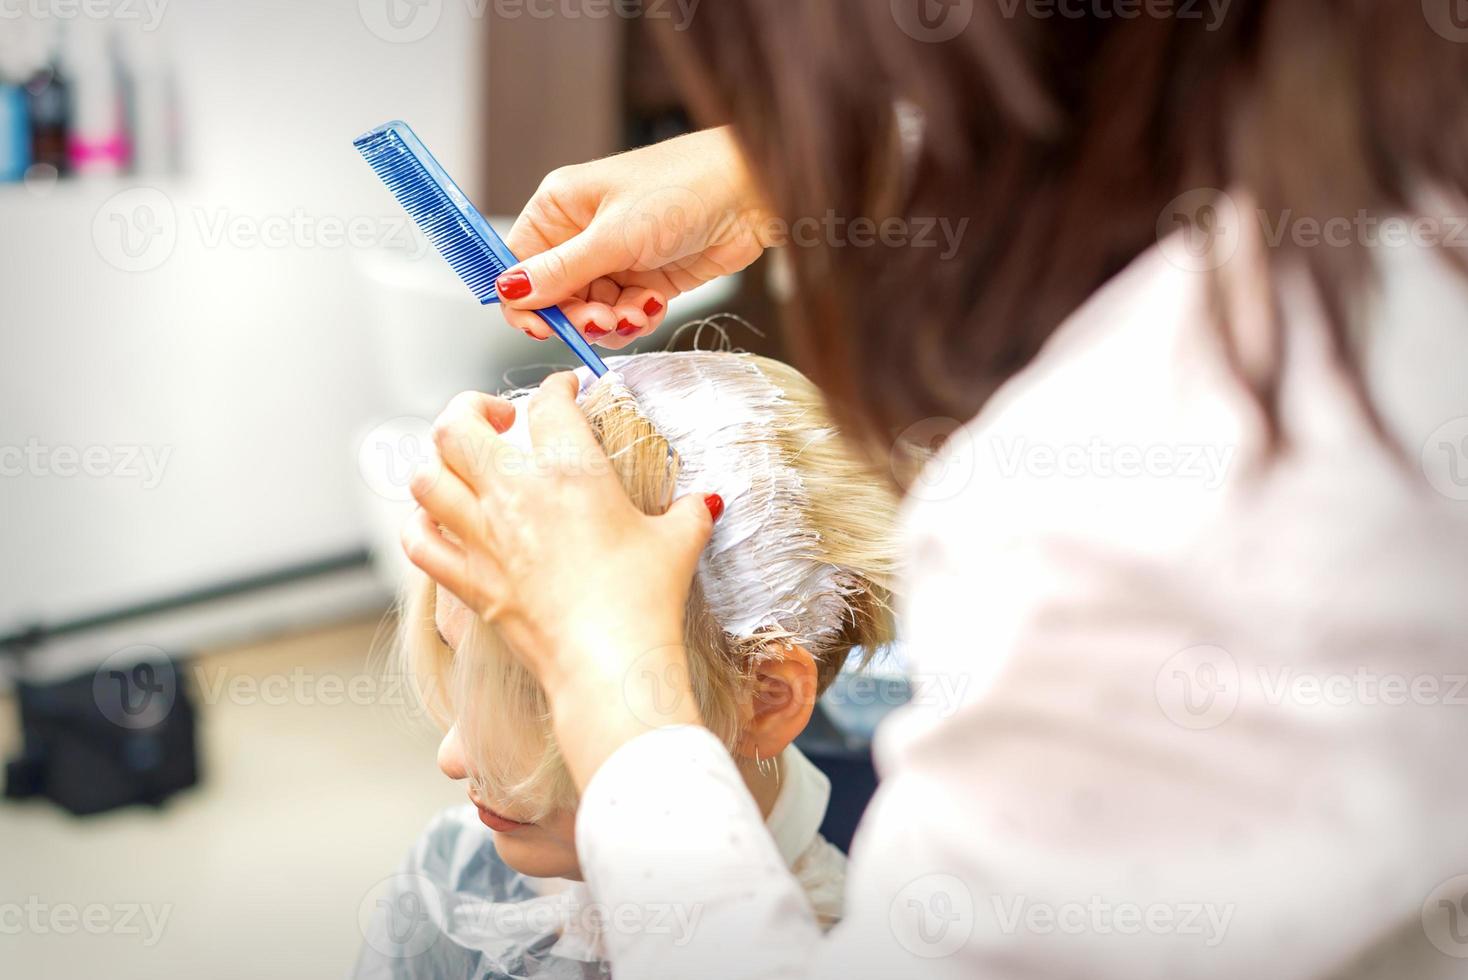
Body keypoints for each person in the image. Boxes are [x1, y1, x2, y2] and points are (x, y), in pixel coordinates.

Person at [402, 4, 1468, 977]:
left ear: (773, 694)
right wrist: (805, 171)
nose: (453, 755)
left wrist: (607, 669)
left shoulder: (1174, 500)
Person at [360, 352, 899, 976]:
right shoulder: (450, 873)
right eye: (458, 660)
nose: (453, 757)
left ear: (768, 698)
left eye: (543, 690)